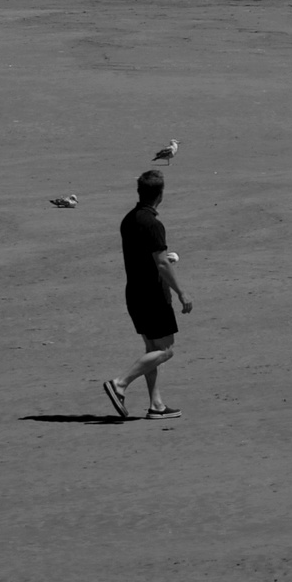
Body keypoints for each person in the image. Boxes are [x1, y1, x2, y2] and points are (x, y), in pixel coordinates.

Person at [104, 170, 192, 420]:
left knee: (151, 348)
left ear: (140, 192)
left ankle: (157, 405)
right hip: (152, 295)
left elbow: (148, 256)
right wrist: (182, 292)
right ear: (160, 195)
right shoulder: (152, 223)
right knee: (165, 351)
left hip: (134, 292)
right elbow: (162, 263)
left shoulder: (129, 219)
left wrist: (165, 258)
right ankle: (120, 384)